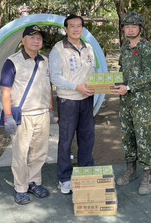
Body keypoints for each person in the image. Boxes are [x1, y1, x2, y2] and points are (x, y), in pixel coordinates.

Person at [0, 26, 53, 205]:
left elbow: (48, 86)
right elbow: (5, 91)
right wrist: (8, 116)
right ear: (23, 41)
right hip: (23, 115)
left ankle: (33, 182)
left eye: (39, 38)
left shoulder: (45, 60)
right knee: (21, 154)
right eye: (32, 38)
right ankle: (21, 188)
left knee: (39, 152)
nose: (36, 41)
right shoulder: (12, 61)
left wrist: (50, 108)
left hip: (42, 114)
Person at [49, 15, 96, 194]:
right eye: (72, 26)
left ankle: (86, 173)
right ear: (66, 29)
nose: (76, 29)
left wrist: (95, 85)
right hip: (68, 100)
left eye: (79, 26)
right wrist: (76, 87)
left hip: (87, 100)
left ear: (82, 29)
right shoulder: (58, 49)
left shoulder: (88, 48)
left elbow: (93, 70)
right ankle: (64, 177)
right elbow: (55, 77)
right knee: (66, 139)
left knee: (87, 138)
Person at [112, 12, 151, 195]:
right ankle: (131, 171)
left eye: (134, 26)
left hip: (141, 100)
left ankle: (147, 175)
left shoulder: (146, 48)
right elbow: (123, 70)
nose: (130, 29)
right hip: (126, 100)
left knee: (142, 137)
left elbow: (149, 74)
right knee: (127, 136)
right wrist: (114, 84)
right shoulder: (124, 47)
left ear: (140, 28)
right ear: (123, 29)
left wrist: (129, 87)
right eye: (127, 26)